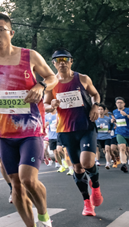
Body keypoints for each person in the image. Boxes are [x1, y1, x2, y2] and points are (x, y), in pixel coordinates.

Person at [0, 12, 58, 227]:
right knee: (16, 186)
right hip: (2, 131)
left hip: (30, 129)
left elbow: (51, 77)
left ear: (11, 32)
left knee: (28, 179)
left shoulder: (29, 56)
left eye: (1, 29)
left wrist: (41, 85)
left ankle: (45, 223)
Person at [44, 49, 103, 216]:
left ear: (71, 61)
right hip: (65, 130)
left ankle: (96, 186)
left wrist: (95, 106)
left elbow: (95, 94)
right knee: (77, 168)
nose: (62, 62)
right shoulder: (51, 83)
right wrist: (52, 105)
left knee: (87, 163)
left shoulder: (82, 78)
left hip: (85, 126)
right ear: (53, 63)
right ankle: (87, 202)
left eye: (65, 59)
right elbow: (46, 105)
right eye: (58, 60)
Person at [112, 97, 129, 172]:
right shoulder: (115, 111)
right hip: (119, 132)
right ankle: (124, 164)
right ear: (116, 104)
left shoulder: (128, 110)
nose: (119, 104)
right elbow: (118, 121)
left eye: (121, 102)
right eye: (118, 102)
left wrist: (126, 115)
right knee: (122, 147)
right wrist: (114, 121)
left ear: (124, 104)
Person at [94, 104, 116, 169]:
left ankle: (108, 163)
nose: (100, 111)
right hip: (97, 136)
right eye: (99, 109)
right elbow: (92, 127)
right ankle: (97, 161)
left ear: (104, 111)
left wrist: (110, 129)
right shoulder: (95, 119)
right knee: (97, 149)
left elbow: (112, 125)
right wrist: (98, 128)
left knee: (107, 149)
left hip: (106, 136)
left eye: (101, 109)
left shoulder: (108, 118)